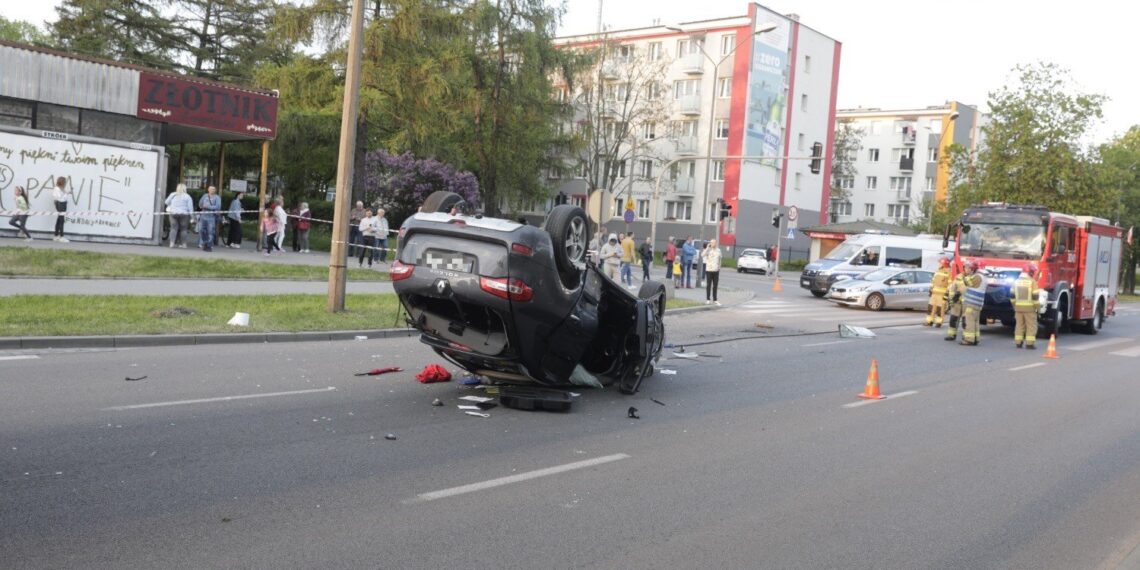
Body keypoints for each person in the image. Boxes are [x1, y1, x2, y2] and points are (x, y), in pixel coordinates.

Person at [1013, 263, 1041, 349]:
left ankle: (1018, 342)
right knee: (1031, 326)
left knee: (1019, 325)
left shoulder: (1016, 281)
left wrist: (1015, 305)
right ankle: (1029, 344)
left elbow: (1011, 296)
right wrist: (1038, 308)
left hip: (1018, 308)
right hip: (1029, 309)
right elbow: (1035, 297)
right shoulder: (1032, 282)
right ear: (1031, 272)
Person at [959, 260, 985, 346]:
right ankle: (976, 338)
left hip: (972, 303)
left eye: (968, 268)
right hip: (977, 304)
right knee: (975, 321)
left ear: (973, 269)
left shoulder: (977, 277)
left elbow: (967, 283)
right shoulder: (983, 276)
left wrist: (965, 275)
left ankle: (969, 339)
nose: (966, 269)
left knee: (969, 321)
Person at [924, 257, 952, 327]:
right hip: (934, 293)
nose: (939, 264)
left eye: (940, 263)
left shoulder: (949, 272)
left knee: (940, 309)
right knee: (930, 308)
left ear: (944, 264)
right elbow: (933, 281)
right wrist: (931, 289)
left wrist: (947, 294)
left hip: (942, 294)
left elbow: (950, 284)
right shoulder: (938, 271)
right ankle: (929, 321)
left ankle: (939, 322)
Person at [164, 184, 194, 248]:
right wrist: (192, 217)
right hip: (184, 214)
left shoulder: (172, 194)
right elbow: (190, 208)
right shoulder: (187, 196)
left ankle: (171, 244)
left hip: (173, 213)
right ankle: (184, 244)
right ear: (185, 189)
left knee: (173, 229)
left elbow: (166, 202)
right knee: (184, 230)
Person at [944, 267, 967, 342]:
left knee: (965, 321)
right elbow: (952, 289)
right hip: (956, 302)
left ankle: (966, 336)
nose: (967, 269)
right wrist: (952, 299)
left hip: (966, 303)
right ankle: (951, 335)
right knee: (953, 319)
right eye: (965, 268)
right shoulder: (958, 277)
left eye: (968, 268)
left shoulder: (973, 278)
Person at [197, 185, 222, 252]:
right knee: (201, 230)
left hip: (211, 217)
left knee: (210, 232)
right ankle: (205, 243)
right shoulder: (205, 196)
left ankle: (209, 246)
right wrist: (203, 206)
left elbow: (218, 206)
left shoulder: (217, 197)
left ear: (215, 190)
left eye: (214, 189)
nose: (212, 190)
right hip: (203, 216)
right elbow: (200, 204)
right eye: (211, 189)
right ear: (208, 189)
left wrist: (208, 207)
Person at [51, 176, 72, 242]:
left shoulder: (60, 188)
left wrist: (66, 193)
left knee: (59, 220)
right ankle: (61, 236)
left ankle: (56, 235)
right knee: (61, 220)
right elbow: (60, 198)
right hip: (61, 204)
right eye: (65, 182)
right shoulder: (57, 189)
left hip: (61, 204)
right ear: (62, 182)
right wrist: (67, 193)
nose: (65, 183)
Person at [702, 239, 722, 305]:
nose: (712, 244)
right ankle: (708, 299)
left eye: (713, 243)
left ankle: (715, 299)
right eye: (711, 242)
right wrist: (707, 248)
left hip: (716, 270)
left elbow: (719, 259)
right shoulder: (708, 250)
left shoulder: (718, 250)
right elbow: (702, 255)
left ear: (716, 243)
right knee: (708, 285)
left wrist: (719, 267)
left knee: (715, 285)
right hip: (709, 270)